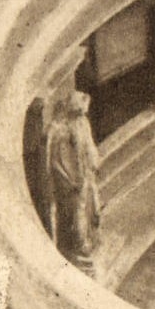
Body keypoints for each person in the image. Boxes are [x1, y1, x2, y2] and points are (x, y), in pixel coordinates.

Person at [45, 92, 101, 270]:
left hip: (84, 177)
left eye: (83, 112)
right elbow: (57, 162)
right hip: (73, 184)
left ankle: (87, 243)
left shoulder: (82, 124)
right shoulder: (61, 130)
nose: (82, 114)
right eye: (79, 111)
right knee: (78, 214)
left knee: (90, 211)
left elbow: (89, 147)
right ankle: (80, 247)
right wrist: (71, 181)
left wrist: (92, 164)